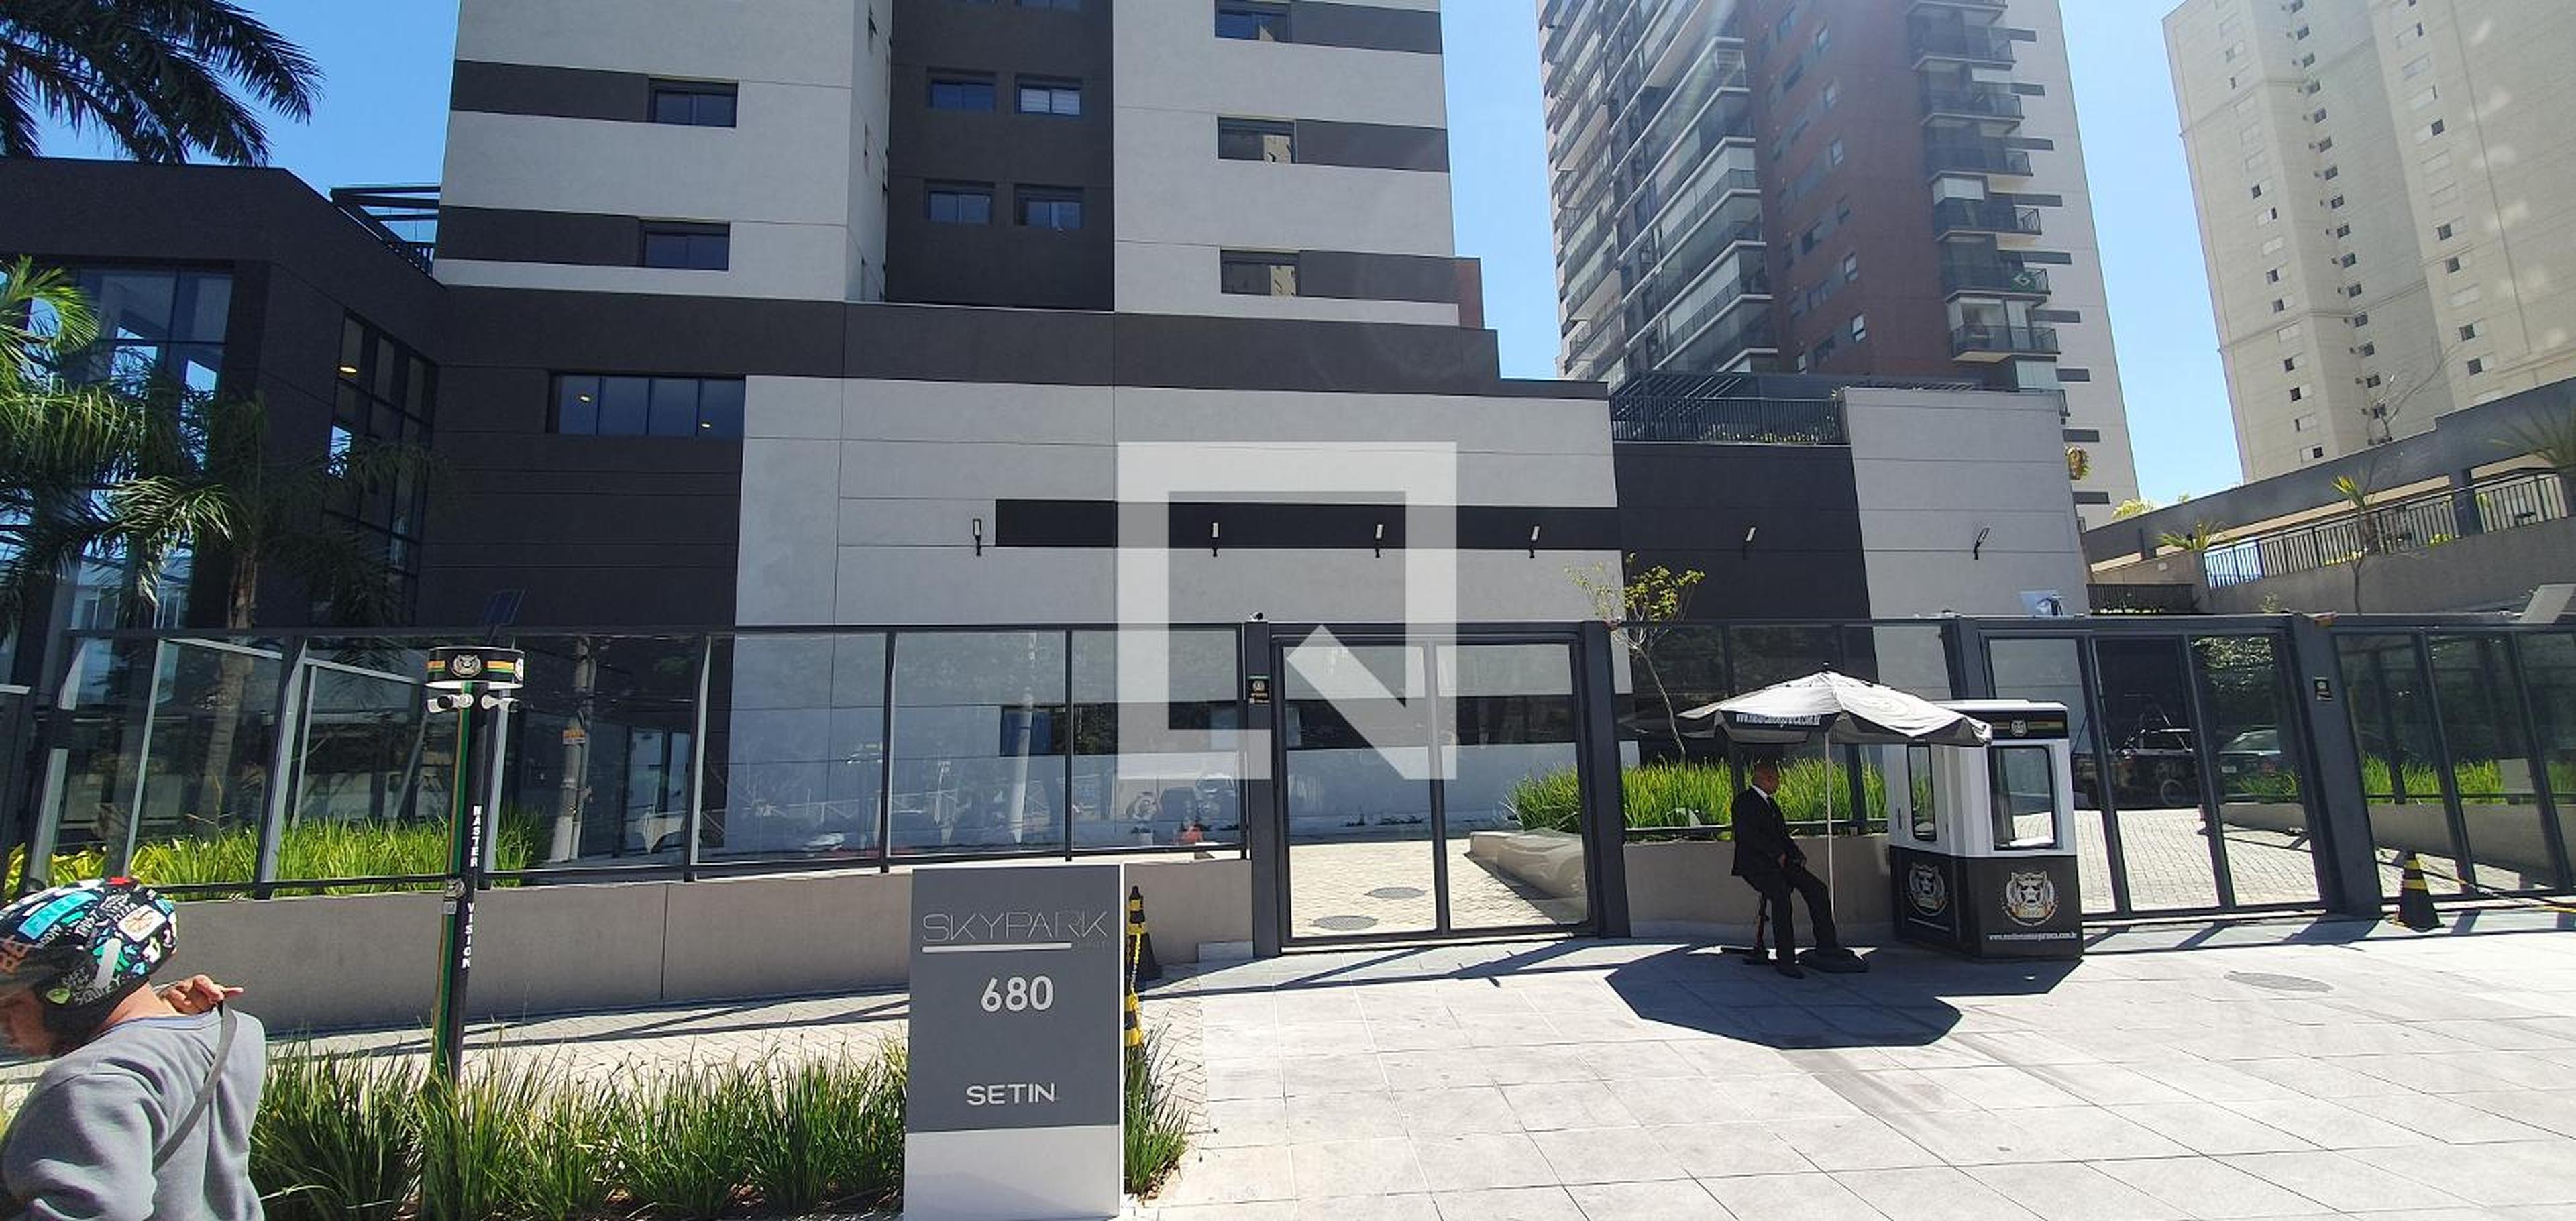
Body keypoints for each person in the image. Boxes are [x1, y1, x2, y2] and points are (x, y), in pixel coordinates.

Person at [0, 878, 266, 1220]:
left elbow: (104, 1211)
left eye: (11, 1004)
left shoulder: (91, 1082)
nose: (3, 1021)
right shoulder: (234, 1031)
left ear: (74, 992)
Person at [1729, 757, 1841, 978]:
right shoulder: (1744, 802)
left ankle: (1827, 946)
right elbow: (1747, 835)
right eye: (1777, 780)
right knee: (1781, 898)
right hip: (1756, 866)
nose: (1779, 784)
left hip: (1780, 863)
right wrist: (1775, 852)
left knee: (1817, 889)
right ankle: (1786, 960)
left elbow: (1782, 835)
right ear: (1766, 778)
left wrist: (1795, 853)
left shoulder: (1771, 804)